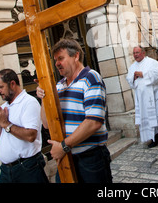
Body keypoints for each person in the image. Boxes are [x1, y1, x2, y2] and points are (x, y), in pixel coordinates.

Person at [36, 39, 112, 183]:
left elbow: (93, 122)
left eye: (61, 58)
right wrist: (44, 99)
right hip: (65, 158)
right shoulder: (58, 86)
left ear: (76, 56)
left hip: (90, 158)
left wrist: (63, 146)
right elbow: (46, 124)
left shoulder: (91, 78)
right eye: (55, 60)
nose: (57, 63)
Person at [0, 68, 49, 183]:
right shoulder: (3, 108)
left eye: (1, 87)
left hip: (26, 168)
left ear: (12, 84)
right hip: (6, 170)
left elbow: (31, 135)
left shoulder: (29, 102)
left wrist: (5, 124)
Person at [126, 46, 158, 148]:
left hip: (153, 95)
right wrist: (133, 77)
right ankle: (154, 137)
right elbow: (129, 80)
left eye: (137, 52)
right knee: (148, 118)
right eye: (134, 53)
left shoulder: (152, 62)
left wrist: (143, 74)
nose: (135, 55)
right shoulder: (132, 67)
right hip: (142, 99)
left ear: (143, 53)